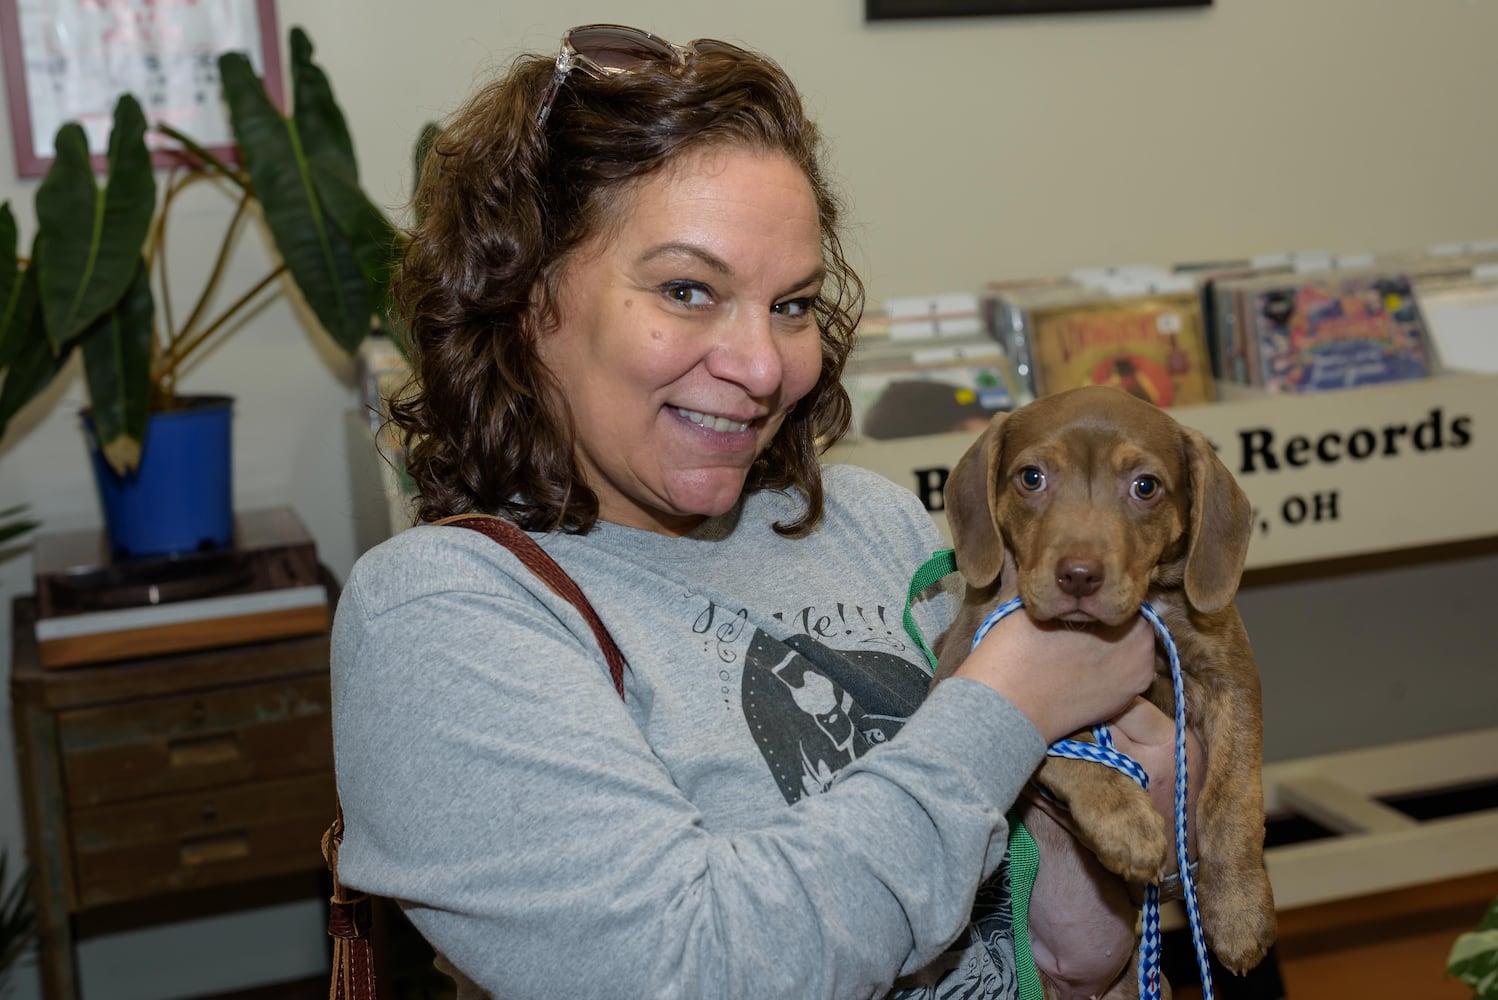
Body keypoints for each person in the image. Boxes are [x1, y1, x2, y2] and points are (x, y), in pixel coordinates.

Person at [332, 24, 1194, 999]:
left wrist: (1117, 814)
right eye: (688, 290)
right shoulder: (440, 612)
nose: (761, 364)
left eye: (791, 304)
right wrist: (1007, 706)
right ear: (527, 297)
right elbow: (689, 971)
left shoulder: (872, 525)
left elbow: (1066, 954)